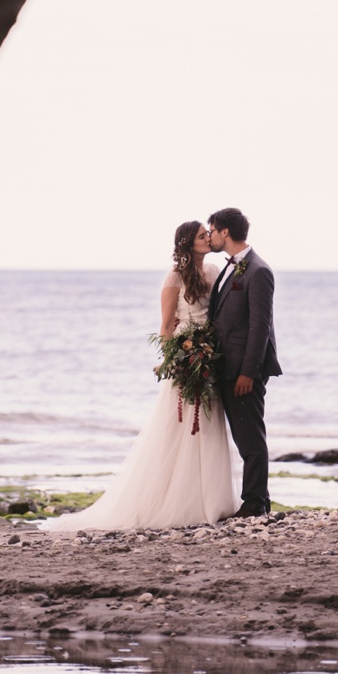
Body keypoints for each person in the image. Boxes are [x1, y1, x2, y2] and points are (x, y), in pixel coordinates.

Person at [40, 221, 240, 532]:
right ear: (189, 243)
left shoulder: (214, 271)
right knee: (181, 428)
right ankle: (178, 501)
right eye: (202, 236)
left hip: (210, 357)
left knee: (210, 425)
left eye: (207, 234)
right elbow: (164, 326)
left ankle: (212, 501)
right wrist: (175, 359)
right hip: (186, 359)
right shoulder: (173, 277)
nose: (207, 239)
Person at [207, 208, 281, 518]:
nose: (209, 236)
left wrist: (248, 372)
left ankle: (254, 504)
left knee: (250, 438)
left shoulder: (258, 270)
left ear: (225, 232)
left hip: (243, 371)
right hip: (227, 367)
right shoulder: (232, 268)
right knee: (244, 436)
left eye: (211, 230)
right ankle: (259, 500)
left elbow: (260, 326)